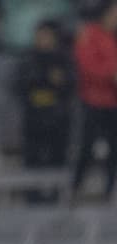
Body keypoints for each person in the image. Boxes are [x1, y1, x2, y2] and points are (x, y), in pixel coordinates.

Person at [13, 20, 73, 172]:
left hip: (58, 115)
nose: (43, 39)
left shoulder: (64, 58)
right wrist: (45, 78)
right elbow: (18, 84)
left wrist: (62, 81)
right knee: (32, 159)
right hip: (34, 115)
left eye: (47, 36)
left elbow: (73, 83)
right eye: (40, 36)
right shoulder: (28, 58)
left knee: (58, 158)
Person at [72, 2, 117, 201]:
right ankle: (76, 187)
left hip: (113, 101)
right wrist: (111, 75)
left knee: (114, 148)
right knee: (87, 145)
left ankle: (109, 191)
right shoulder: (89, 33)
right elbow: (86, 65)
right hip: (93, 99)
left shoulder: (113, 36)